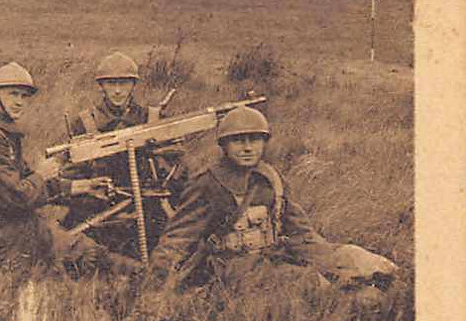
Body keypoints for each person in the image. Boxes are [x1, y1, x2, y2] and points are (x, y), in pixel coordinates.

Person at [149, 107, 398, 300]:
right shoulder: (207, 183)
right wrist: (155, 286)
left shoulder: (271, 178)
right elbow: (176, 240)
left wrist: (335, 258)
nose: (247, 148)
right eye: (238, 140)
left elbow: (302, 234)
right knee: (317, 287)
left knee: (365, 262)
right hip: (232, 269)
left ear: (264, 142)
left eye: (254, 139)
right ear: (224, 146)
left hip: (273, 257)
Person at [0, 62, 118, 278]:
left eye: (24, 96)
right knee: (92, 257)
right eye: (13, 94)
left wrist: (81, 186)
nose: (20, 102)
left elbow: (23, 181)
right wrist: (42, 174)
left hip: (3, 223)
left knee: (89, 253)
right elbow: (17, 197)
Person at [58, 51, 187, 256]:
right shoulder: (85, 122)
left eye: (124, 83)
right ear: (101, 86)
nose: (117, 91)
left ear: (133, 85)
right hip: (100, 207)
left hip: (150, 206)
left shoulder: (151, 118)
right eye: (111, 84)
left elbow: (178, 170)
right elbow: (70, 172)